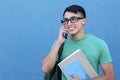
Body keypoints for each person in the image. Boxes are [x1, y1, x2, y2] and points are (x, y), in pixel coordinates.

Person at [42, 5, 114, 80]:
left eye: (73, 19)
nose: (69, 23)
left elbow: (110, 76)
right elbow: (45, 69)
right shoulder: (60, 43)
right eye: (66, 20)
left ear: (84, 21)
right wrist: (59, 43)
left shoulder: (100, 44)